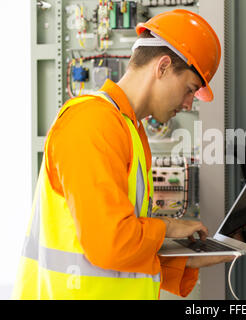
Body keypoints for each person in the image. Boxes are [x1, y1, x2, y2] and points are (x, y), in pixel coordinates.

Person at [13, 9, 233, 300]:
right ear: (163, 66)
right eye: (190, 89)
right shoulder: (92, 123)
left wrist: (187, 260)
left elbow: (116, 257)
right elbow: (110, 245)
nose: (189, 103)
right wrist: (167, 227)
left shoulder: (128, 128)